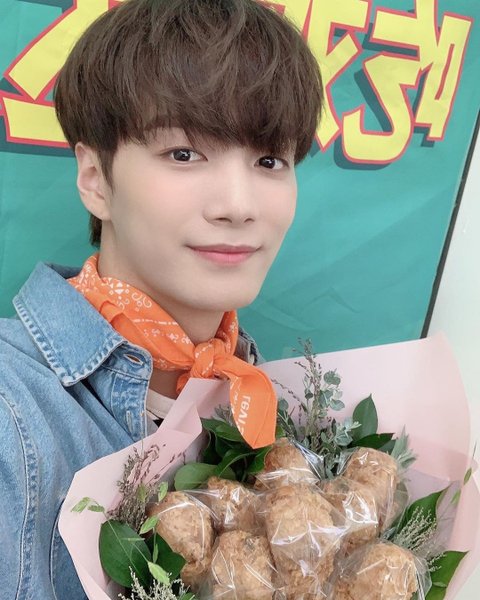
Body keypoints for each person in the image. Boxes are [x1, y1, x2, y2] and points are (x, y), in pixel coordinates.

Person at [0, 0, 323, 597]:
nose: (238, 205)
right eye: (184, 154)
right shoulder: (10, 412)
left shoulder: (267, 399)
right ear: (95, 179)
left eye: (269, 159)